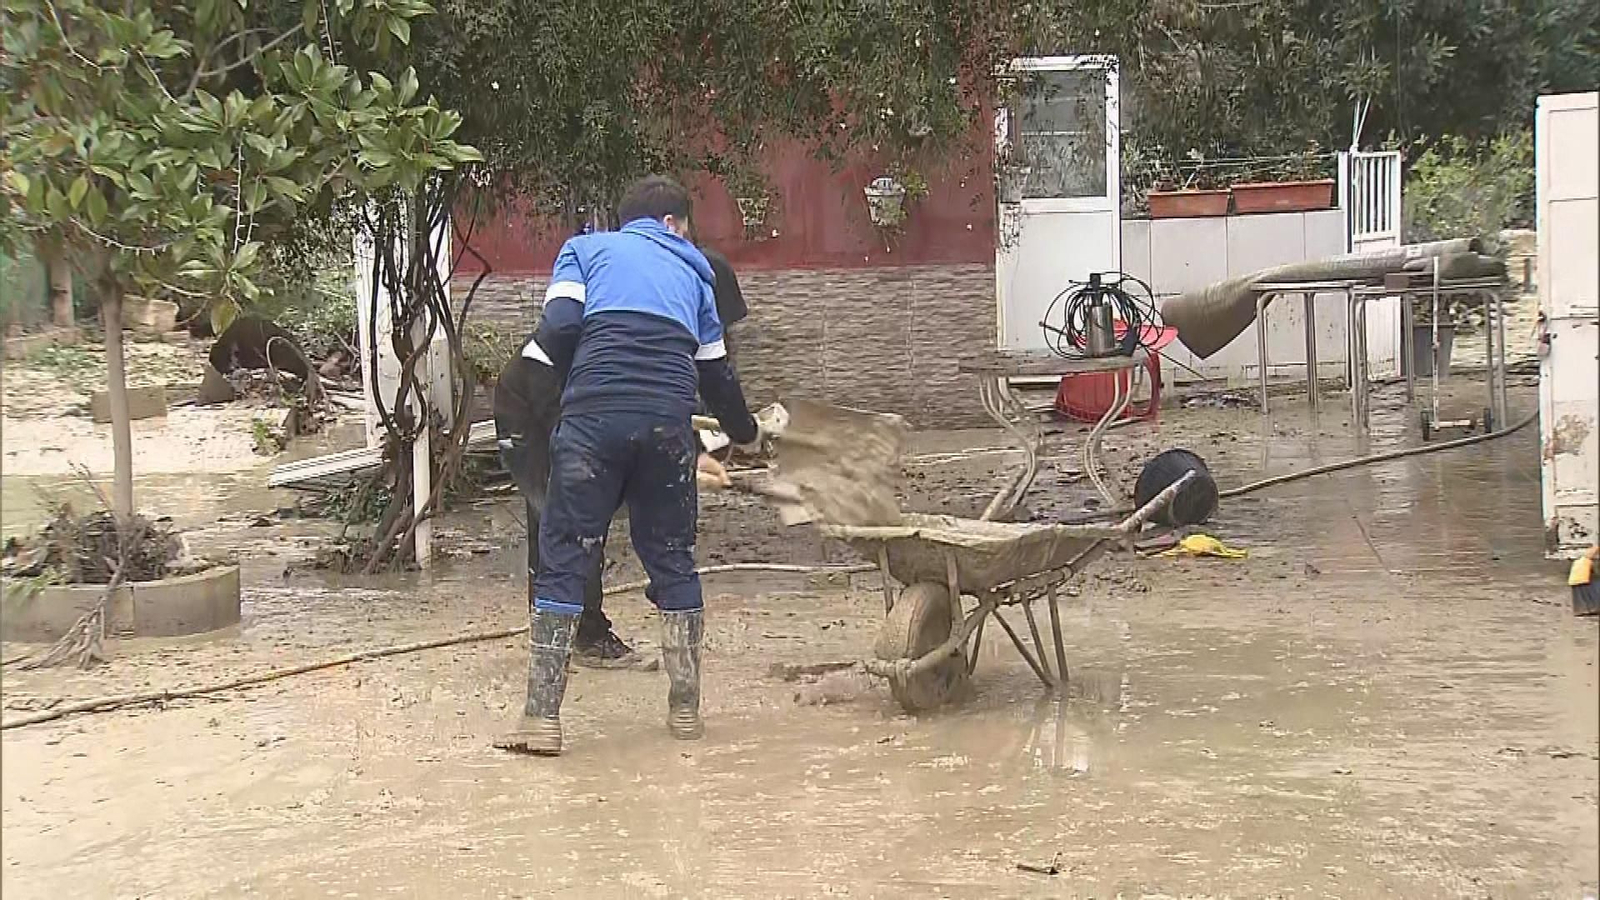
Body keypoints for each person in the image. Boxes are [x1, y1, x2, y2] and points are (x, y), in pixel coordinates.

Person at [497, 175, 762, 756]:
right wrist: (745, 433)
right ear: (673, 223)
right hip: (668, 430)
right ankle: (685, 710)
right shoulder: (697, 271)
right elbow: (717, 377)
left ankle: (542, 720)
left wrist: (586, 376)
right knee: (672, 559)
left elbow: (561, 328)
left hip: (591, 425)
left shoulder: (585, 250)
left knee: (564, 558)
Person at [493, 248, 751, 670]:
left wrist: (700, 450)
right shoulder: (632, 321)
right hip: (534, 404)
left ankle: (571, 631)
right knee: (571, 518)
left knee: (582, 511)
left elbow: (658, 403)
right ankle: (581, 638)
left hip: (583, 403)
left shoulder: (658, 314)